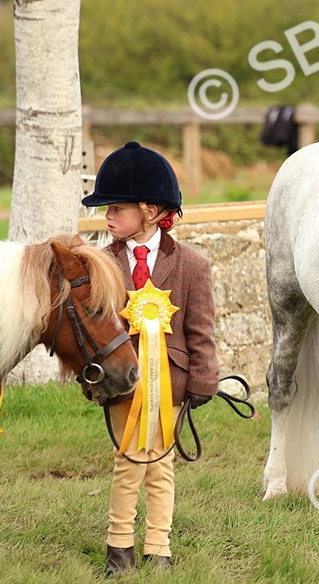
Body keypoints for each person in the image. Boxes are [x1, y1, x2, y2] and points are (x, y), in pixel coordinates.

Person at [81, 141, 219, 576]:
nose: (107, 216)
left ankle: (158, 546)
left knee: (161, 464)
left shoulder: (192, 266)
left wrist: (202, 382)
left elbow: (201, 331)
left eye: (116, 208)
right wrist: (93, 381)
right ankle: (119, 545)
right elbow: (88, 332)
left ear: (152, 211)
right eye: (106, 208)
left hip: (171, 383)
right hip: (121, 382)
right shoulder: (100, 264)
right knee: (129, 461)